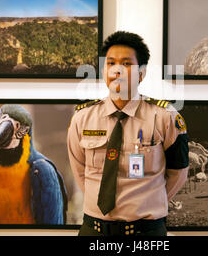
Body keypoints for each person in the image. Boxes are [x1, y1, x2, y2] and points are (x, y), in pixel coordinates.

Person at [67, 31, 189, 236]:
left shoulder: (164, 117)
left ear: (141, 73)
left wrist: (148, 202)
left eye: (126, 64)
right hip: (94, 231)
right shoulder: (83, 117)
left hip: (146, 233)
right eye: (111, 63)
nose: (117, 70)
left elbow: (178, 172)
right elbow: (80, 172)